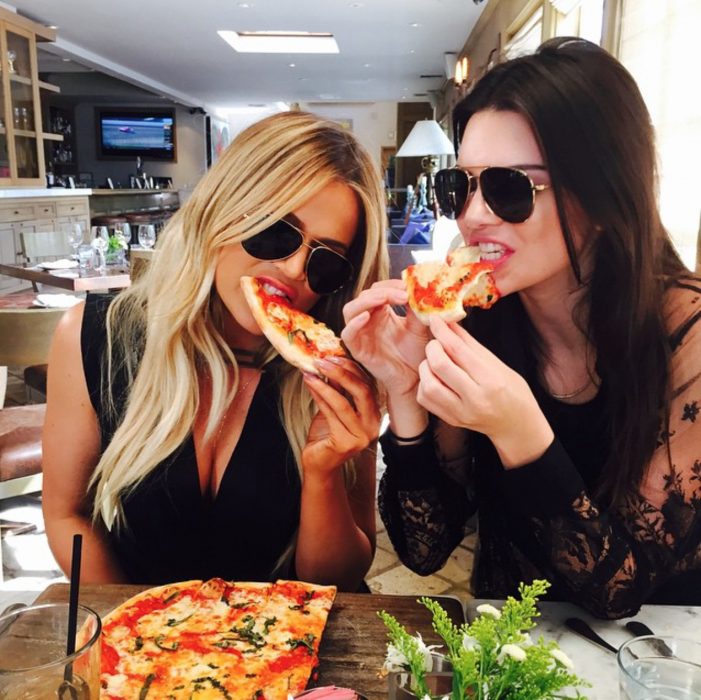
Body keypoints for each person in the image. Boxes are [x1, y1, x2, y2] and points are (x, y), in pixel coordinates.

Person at [342, 38, 701, 618]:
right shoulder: (479, 314)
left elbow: (620, 590)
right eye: (459, 186)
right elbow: (424, 550)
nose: (473, 216)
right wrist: (404, 394)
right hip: (509, 642)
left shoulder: (688, 336)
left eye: (510, 188)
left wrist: (520, 432)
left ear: (607, 198)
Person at [43, 111, 388, 591]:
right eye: (277, 231)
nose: (291, 268)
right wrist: (129, 625)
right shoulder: (96, 334)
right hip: (139, 642)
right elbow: (65, 514)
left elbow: (339, 579)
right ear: (223, 209)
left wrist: (324, 472)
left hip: (285, 643)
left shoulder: (339, 371)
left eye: (325, 262)